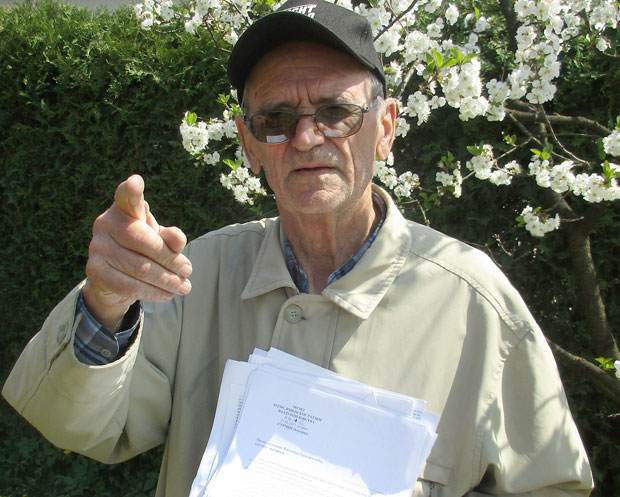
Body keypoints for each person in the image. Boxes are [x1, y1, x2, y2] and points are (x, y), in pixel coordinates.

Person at [2, 1, 594, 496]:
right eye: (276, 119)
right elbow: (79, 425)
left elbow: (551, 484)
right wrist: (106, 304)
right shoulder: (196, 276)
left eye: (337, 112)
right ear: (249, 143)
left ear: (385, 128)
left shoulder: (473, 302)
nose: (307, 137)